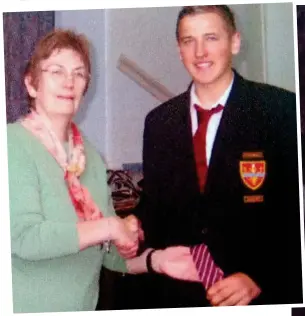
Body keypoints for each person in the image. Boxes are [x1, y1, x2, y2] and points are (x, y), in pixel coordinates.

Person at [134, 5, 303, 308]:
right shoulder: (158, 122)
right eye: (189, 41)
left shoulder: (279, 109)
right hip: (180, 296)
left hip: (258, 295)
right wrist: (128, 227)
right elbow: (155, 209)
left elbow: (294, 212)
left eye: (211, 37)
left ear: (234, 42)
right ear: (179, 49)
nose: (200, 52)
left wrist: (259, 278)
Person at [7, 28, 153, 313]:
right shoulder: (12, 143)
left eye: (79, 73)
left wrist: (145, 250)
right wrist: (110, 226)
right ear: (31, 85)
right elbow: (24, 238)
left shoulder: (89, 157)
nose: (69, 82)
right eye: (56, 71)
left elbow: (108, 255)